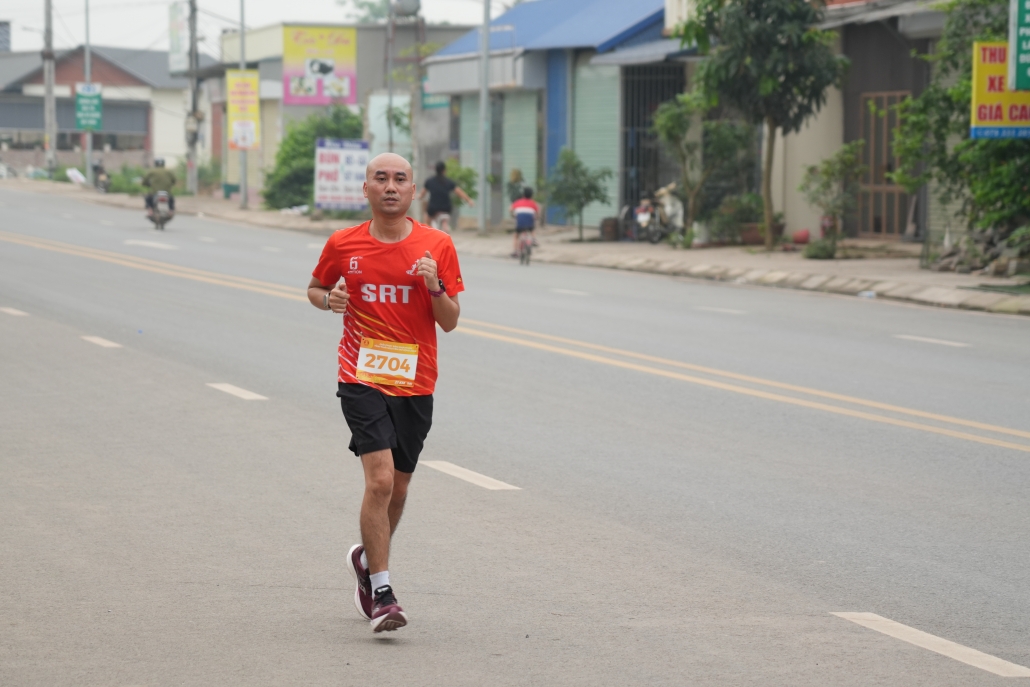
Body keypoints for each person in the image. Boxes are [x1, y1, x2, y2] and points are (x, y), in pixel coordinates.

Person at [307, 152, 464, 634]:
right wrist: (329, 300)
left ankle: (366, 560)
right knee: (378, 481)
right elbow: (315, 288)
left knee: (398, 487)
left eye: (400, 179)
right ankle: (382, 592)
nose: (391, 186)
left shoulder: (437, 245)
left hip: (416, 382)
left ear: (414, 191)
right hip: (361, 375)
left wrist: (434, 286)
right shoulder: (344, 242)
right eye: (381, 178)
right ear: (367, 190)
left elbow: (451, 320)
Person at [418, 161, 474, 232]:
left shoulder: (429, 181)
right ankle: (445, 228)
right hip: (446, 208)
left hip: (433, 208)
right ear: (444, 171)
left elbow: (422, 193)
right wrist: (469, 200)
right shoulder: (449, 182)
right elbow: (459, 192)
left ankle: (427, 234)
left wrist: (419, 196)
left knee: (426, 219)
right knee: (445, 220)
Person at [510, 186, 541, 256]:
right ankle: (534, 239)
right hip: (529, 223)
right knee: (532, 228)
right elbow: (538, 212)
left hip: (520, 223)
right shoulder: (533, 203)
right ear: (531, 195)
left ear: (523, 195)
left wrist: (513, 214)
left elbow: (510, 209)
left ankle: (515, 251)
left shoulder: (518, 202)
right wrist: (536, 217)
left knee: (516, 236)